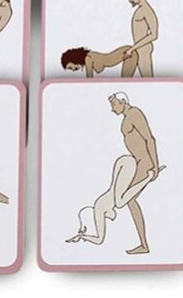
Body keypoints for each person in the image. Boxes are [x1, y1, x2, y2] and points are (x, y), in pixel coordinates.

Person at [65, 155, 160, 246]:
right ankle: (147, 178)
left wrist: (82, 236)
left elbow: (99, 240)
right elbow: (111, 216)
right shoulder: (100, 206)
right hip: (124, 163)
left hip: (126, 164)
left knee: (120, 203)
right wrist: (81, 236)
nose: (111, 219)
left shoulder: (99, 210)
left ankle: (148, 178)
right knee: (119, 201)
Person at [108, 92, 161, 254]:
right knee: (127, 199)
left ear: (123, 101)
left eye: (114, 104)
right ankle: (143, 244)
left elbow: (149, 139)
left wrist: (155, 165)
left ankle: (144, 245)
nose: (112, 109)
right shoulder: (127, 117)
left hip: (145, 162)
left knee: (128, 199)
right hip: (137, 162)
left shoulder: (134, 113)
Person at [121, 0, 158, 77]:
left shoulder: (147, 10)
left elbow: (154, 35)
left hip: (143, 49)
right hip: (137, 49)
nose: (130, 0)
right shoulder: (140, 9)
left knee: (147, 78)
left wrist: (132, 49)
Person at [60, 45, 131, 77]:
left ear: (73, 59)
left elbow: (89, 80)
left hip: (127, 53)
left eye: (70, 67)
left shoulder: (88, 58)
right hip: (124, 54)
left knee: (126, 81)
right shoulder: (88, 58)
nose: (73, 70)